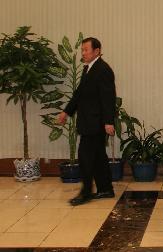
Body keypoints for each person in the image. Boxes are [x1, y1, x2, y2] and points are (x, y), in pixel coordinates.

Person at [57, 37, 116, 206]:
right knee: (98, 158)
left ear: (97, 51)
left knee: (85, 158)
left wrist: (108, 122)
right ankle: (105, 189)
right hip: (88, 122)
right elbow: (79, 94)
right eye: (82, 50)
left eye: (86, 50)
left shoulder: (103, 70)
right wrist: (66, 112)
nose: (83, 53)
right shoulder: (88, 69)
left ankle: (86, 193)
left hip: (95, 123)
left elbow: (108, 98)